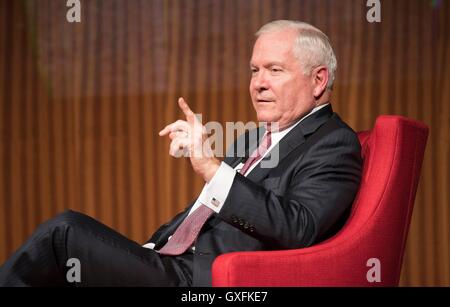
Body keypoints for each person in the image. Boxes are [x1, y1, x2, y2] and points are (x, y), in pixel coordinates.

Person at [0, 20, 362, 287]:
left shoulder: (333, 144)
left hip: (203, 283)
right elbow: (202, 216)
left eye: (274, 70)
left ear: (318, 80)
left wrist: (211, 167)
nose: (258, 83)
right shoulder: (255, 138)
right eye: (254, 70)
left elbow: (298, 227)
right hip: (171, 263)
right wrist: (146, 248)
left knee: (65, 232)